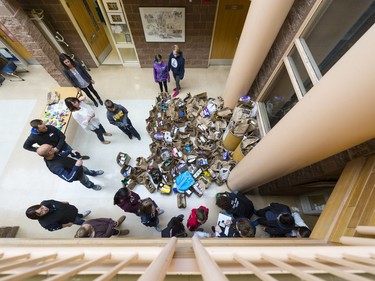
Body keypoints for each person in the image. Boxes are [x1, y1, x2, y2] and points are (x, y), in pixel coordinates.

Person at [36, 144, 102, 191]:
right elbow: (69, 178)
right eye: (51, 148)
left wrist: (70, 151)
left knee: (87, 170)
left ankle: (93, 173)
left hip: (78, 166)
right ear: (49, 152)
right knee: (85, 180)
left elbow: (61, 155)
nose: (53, 147)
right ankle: (92, 186)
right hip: (77, 174)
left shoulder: (52, 154)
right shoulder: (55, 167)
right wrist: (76, 166)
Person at [23, 119, 89, 160]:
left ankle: (80, 157)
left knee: (73, 152)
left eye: (45, 126)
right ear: (37, 129)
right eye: (43, 128)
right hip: (53, 152)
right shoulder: (33, 137)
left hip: (62, 145)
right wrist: (39, 150)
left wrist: (57, 147)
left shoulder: (50, 127)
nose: (46, 128)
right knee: (64, 159)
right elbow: (26, 146)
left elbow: (62, 136)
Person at [25, 199, 91, 232]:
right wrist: (67, 225)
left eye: (42, 208)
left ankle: (81, 215)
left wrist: (63, 202)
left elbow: (54, 201)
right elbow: (57, 227)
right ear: (38, 217)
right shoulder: (46, 223)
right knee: (80, 221)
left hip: (71, 210)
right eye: (41, 212)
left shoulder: (44, 203)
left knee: (78, 215)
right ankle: (89, 223)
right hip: (71, 219)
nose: (44, 209)